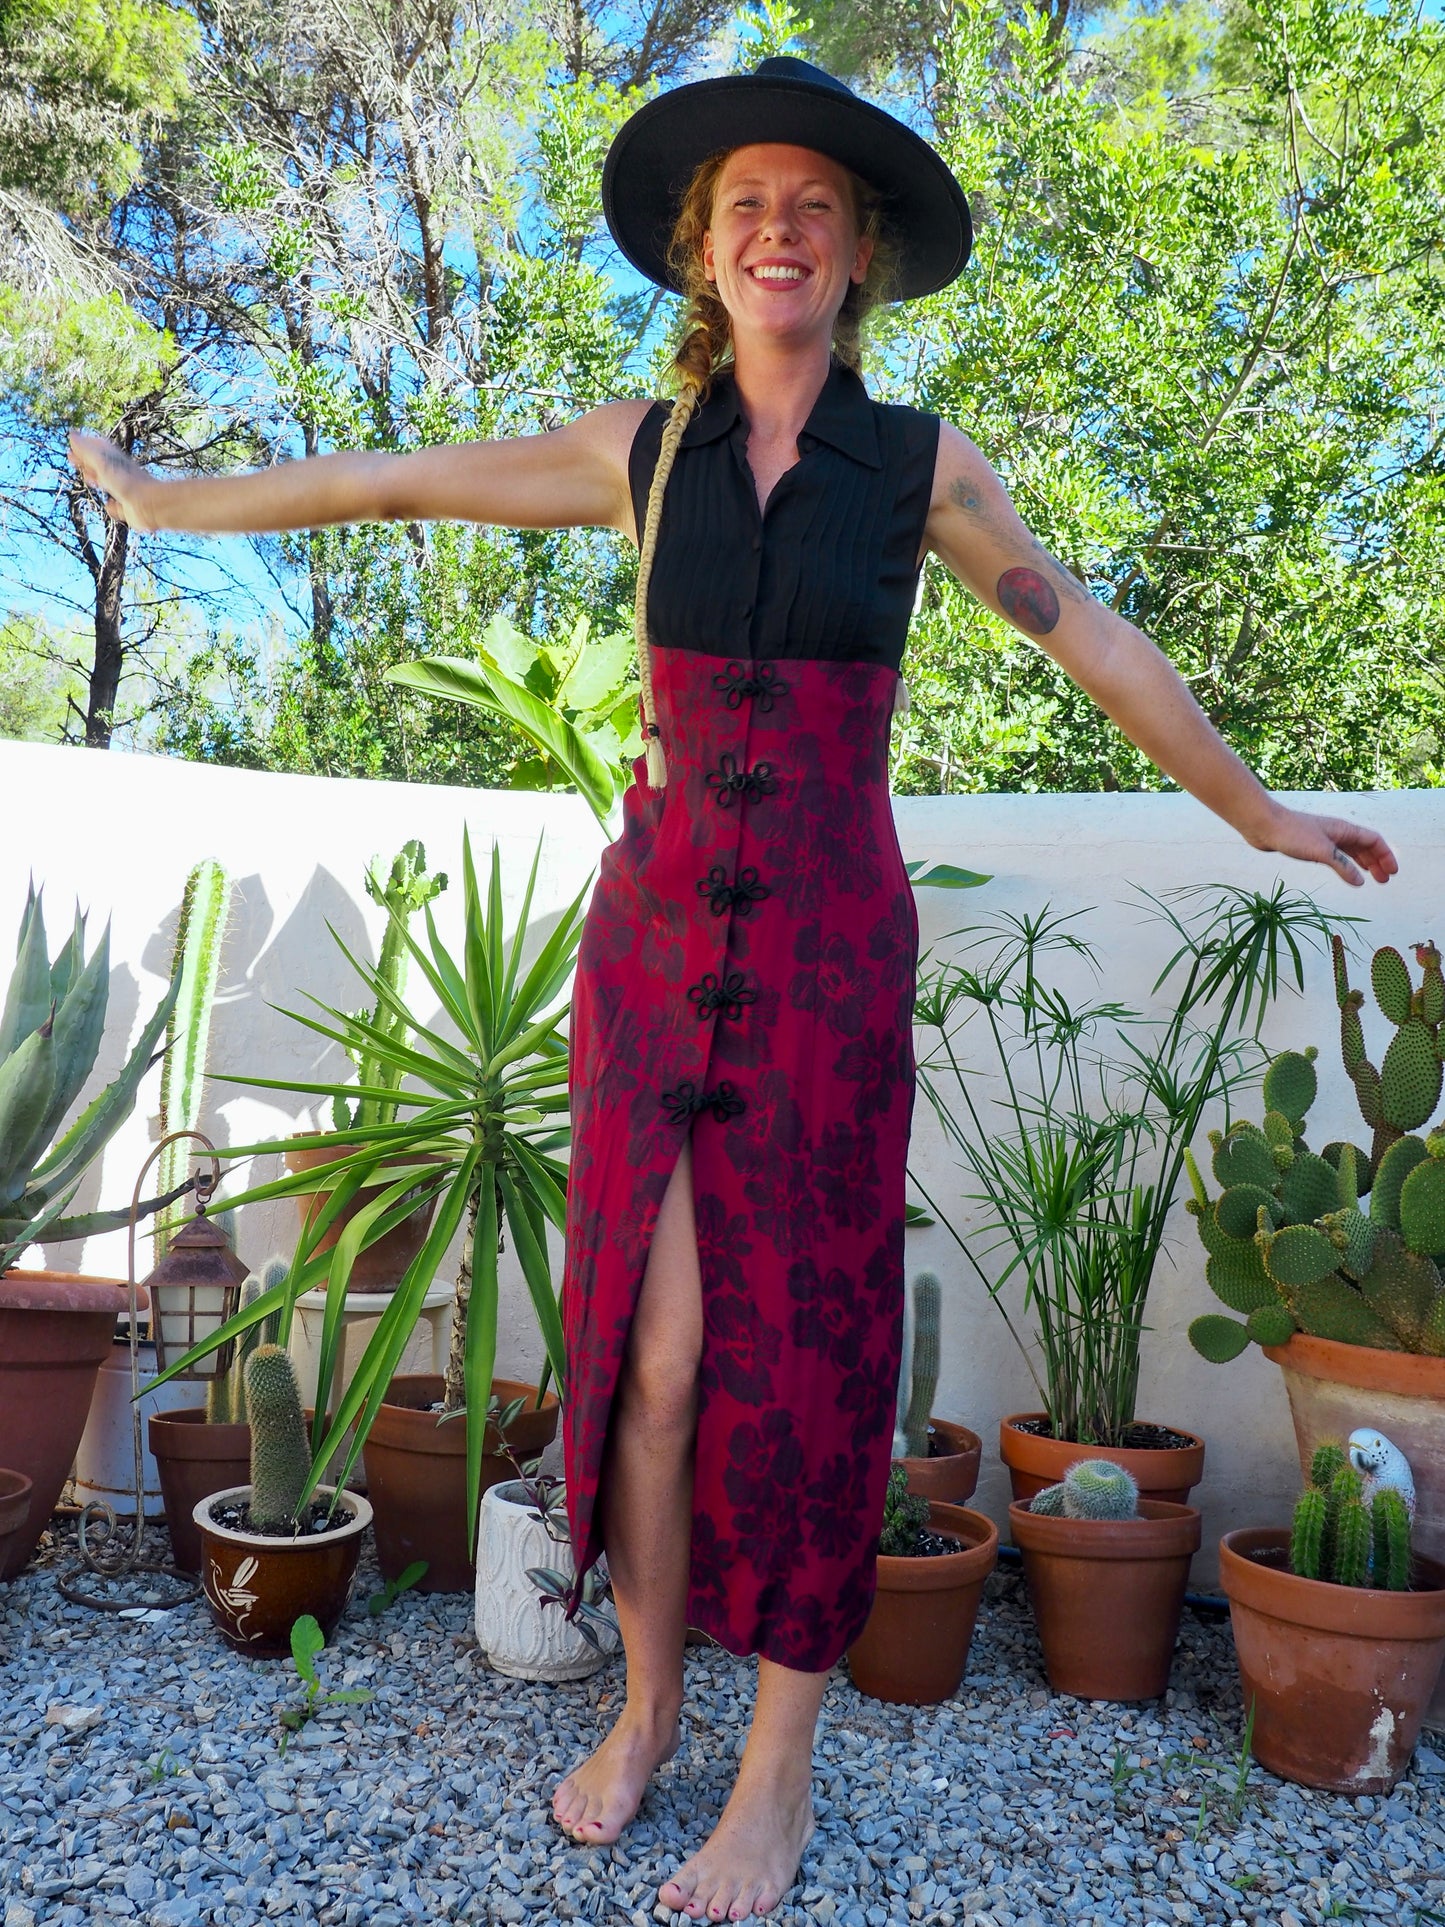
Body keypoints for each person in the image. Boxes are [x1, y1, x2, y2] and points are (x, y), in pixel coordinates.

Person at [69, 56, 1397, 1924]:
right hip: (656, 948)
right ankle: (647, 1710)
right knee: (660, 1363)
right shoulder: (642, 448)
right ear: (706, 252)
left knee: (806, 1361)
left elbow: (1077, 624)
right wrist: (165, 500)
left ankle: (773, 1777)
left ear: (857, 262)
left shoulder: (920, 466)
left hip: (829, 961)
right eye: (747, 206)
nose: (779, 230)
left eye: (815, 209)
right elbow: (382, 480)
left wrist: (1251, 809)